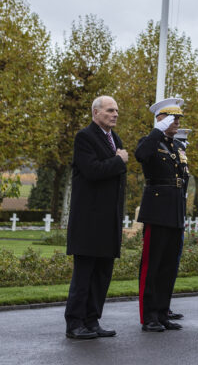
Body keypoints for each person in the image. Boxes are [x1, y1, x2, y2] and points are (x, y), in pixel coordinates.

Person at [64, 96, 128, 339]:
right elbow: (92, 171)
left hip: (108, 221)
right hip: (89, 221)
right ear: (96, 112)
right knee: (84, 275)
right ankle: (75, 323)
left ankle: (92, 320)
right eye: (110, 110)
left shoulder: (114, 139)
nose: (115, 114)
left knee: (102, 275)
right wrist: (118, 160)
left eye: (117, 110)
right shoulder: (85, 137)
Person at [135, 98, 186, 332]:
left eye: (178, 118)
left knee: (168, 266)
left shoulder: (177, 147)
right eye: (172, 118)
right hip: (157, 210)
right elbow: (141, 155)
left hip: (174, 209)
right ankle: (149, 316)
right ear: (160, 119)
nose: (176, 122)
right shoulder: (150, 142)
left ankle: (163, 312)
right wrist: (156, 131)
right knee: (152, 265)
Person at [167, 128, 191, 321]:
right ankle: (160, 307)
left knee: (172, 265)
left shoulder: (181, 162)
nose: (183, 149)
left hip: (177, 214)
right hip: (168, 214)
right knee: (164, 265)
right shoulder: (170, 155)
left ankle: (165, 305)